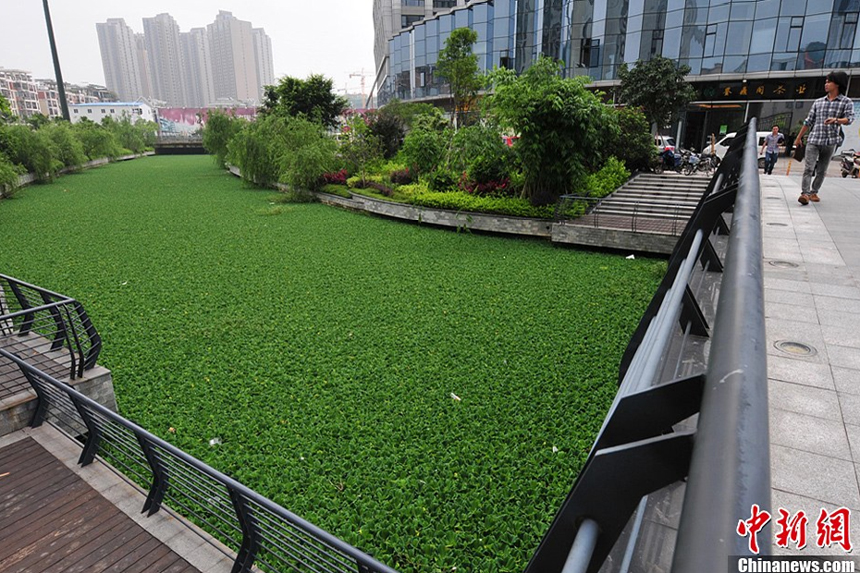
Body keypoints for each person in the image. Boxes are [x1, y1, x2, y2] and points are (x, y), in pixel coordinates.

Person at [794, 71, 855, 205]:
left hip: (831, 141)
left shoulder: (846, 102)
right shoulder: (818, 102)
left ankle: (814, 192)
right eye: (826, 81)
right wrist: (798, 138)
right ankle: (804, 194)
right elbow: (808, 121)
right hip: (814, 139)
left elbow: (850, 119)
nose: (826, 84)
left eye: (829, 82)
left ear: (837, 84)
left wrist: (836, 120)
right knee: (809, 168)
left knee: (822, 170)